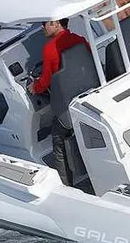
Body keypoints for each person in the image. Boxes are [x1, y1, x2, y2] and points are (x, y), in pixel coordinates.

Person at [27, 18, 89, 186]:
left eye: (45, 24)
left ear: (56, 23)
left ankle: (65, 185)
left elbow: (45, 81)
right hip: (86, 99)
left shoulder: (50, 48)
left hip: (67, 106)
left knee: (58, 141)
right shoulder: (80, 40)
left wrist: (34, 87)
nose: (43, 27)